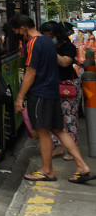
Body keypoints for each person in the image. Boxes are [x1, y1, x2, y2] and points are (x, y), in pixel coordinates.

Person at [11, 14, 93, 183]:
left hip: (40, 94)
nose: (19, 36)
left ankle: (47, 171)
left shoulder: (33, 43)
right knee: (59, 129)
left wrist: (20, 97)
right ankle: (82, 166)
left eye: (18, 32)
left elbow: (30, 72)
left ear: (23, 29)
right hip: (53, 91)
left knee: (43, 132)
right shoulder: (48, 42)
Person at [39, 22, 81, 161]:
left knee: (69, 119)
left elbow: (64, 62)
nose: (48, 40)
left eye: (49, 37)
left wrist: (50, 49)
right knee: (52, 118)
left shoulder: (68, 47)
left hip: (67, 86)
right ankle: (57, 147)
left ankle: (72, 149)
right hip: (51, 86)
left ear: (57, 35)